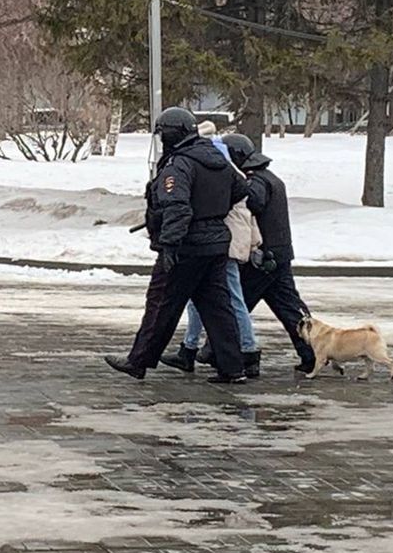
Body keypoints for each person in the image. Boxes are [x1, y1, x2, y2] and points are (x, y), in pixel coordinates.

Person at [104, 107, 249, 384]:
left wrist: (169, 245)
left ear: (172, 134)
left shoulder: (180, 164)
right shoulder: (215, 157)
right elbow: (241, 190)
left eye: (162, 134)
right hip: (216, 243)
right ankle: (232, 367)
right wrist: (212, 212)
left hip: (186, 247)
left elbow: (177, 206)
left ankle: (138, 361)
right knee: (218, 308)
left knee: (161, 304)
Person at [162, 122, 263, 378]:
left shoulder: (219, 168)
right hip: (224, 238)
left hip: (222, 240)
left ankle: (247, 350)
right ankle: (190, 347)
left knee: (229, 299)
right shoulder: (224, 167)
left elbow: (241, 200)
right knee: (204, 300)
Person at [221, 133, 316, 375]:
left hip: (263, 258)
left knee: (234, 304)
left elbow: (254, 202)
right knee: (289, 308)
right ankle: (312, 352)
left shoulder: (255, 181)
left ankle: (226, 352)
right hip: (279, 254)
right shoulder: (270, 177)